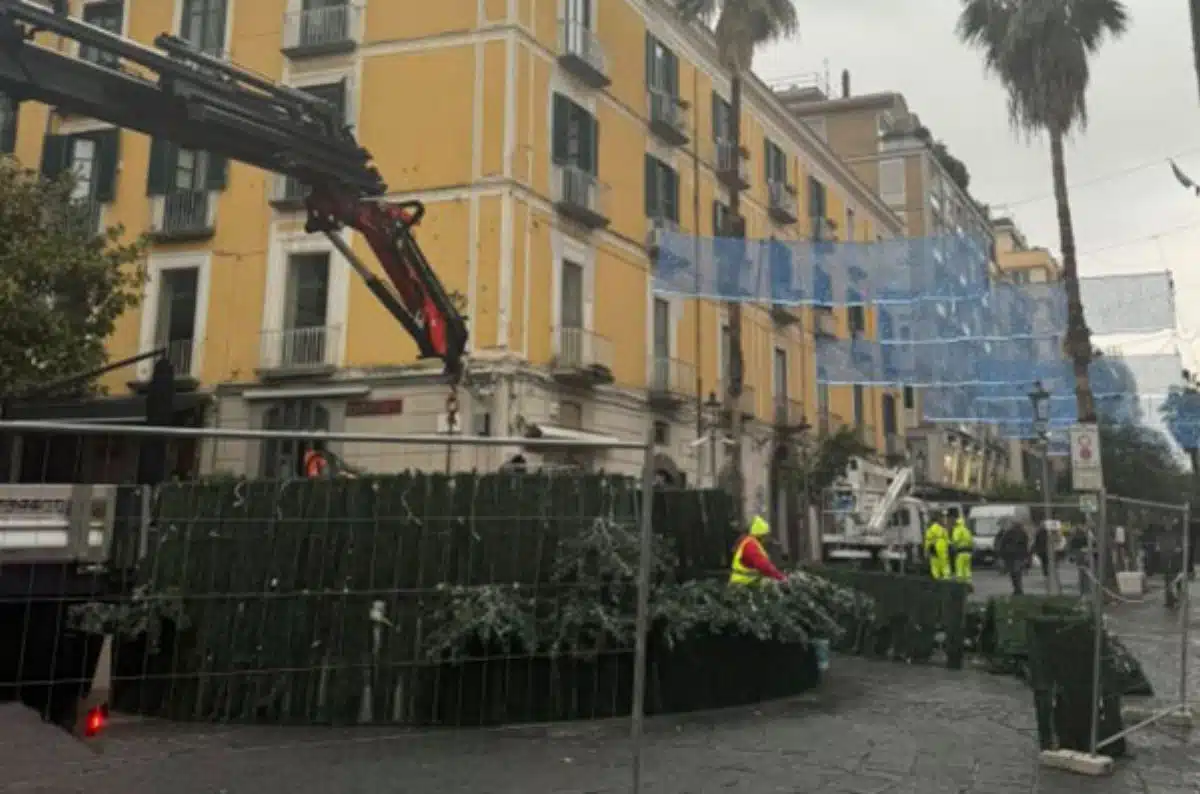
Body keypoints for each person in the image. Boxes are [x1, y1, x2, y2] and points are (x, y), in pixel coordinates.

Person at [729, 515, 786, 585]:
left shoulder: (750, 542)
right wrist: (781, 577)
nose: (766, 539)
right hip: (743, 583)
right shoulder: (750, 545)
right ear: (760, 535)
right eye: (765, 535)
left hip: (746, 582)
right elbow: (763, 565)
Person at [997, 519, 1030, 595]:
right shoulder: (1023, 533)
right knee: (1017, 573)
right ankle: (1018, 589)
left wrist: (1001, 555)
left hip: (1011, 556)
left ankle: (1017, 589)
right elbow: (1026, 545)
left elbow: (1002, 544)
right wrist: (1026, 556)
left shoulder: (1009, 532)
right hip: (1018, 556)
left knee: (1014, 573)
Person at [923, 513, 950, 581]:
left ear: (932, 522)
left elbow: (928, 540)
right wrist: (946, 547)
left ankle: (936, 577)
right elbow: (947, 540)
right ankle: (946, 576)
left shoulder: (929, 530)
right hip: (942, 547)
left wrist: (926, 549)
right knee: (944, 563)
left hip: (934, 547)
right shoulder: (943, 529)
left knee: (934, 564)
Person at [950, 510, 974, 583]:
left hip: (960, 552)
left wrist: (951, 543)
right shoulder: (967, 530)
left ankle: (960, 583)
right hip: (968, 552)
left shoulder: (957, 529)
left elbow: (955, 540)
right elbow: (971, 541)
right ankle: (968, 582)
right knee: (967, 568)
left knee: (960, 568)